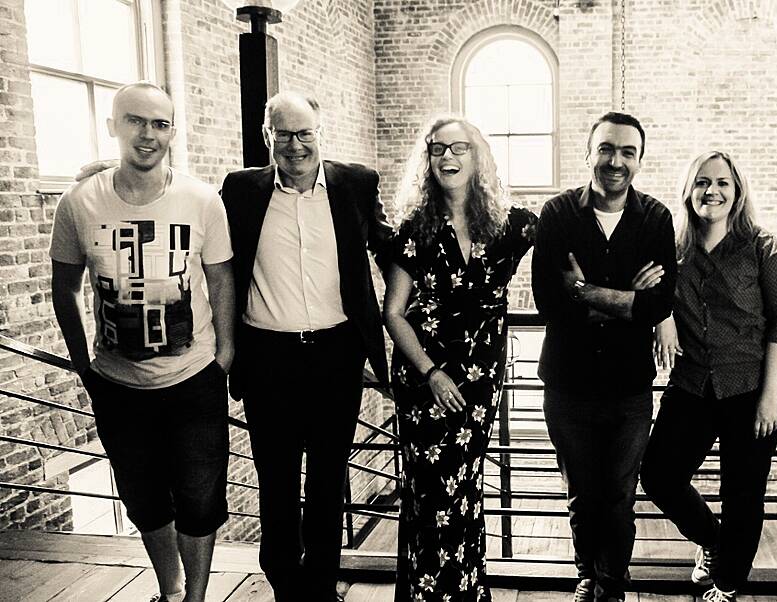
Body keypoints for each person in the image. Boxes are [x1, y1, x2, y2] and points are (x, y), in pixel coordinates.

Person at [51, 82, 235, 602]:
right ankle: (171, 589)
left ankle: (195, 599)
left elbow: (221, 279)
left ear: (173, 131)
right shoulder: (80, 202)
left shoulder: (201, 200)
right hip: (117, 382)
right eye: (135, 120)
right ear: (114, 126)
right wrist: (83, 363)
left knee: (201, 500)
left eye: (160, 123)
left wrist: (224, 356)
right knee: (143, 498)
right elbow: (63, 288)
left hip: (193, 378)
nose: (148, 134)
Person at [220, 92, 393, 602]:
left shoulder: (356, 184)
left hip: (337, 356)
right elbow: (209, 247)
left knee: (326, 480)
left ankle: (320, 587)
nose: (295, 145)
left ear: (321, 131)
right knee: (275, 480)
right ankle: (282, 582)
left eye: (304, 134)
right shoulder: (241, 189)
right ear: (267, 135)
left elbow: (391, 243)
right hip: (267, 357)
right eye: (283, 134)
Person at [383, 115, 537, 601]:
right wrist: (431, 374)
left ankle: (467, 592)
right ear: (427, 161)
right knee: (430, 495)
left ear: (478, 156)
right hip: (426, 382)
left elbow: (571, 247)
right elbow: (393, 314)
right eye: (436, 148)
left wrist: (646, 307)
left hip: (480, 381)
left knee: (465, 490)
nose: (448, 156)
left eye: (459, 147)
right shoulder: (417, 228)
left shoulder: (512, 225)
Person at [531, 111, 676, 602]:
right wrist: (624, 302)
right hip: (567, 383)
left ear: (640, 160)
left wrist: (585, 291)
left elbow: (658, 304)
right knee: (582, 496)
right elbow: (547, 301)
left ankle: (613, 584)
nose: (616, 161)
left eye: (628, 152)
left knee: (619, 497)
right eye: (607, 149)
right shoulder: (556, 215)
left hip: (629, 386)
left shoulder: (656, 218)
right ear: (588, 152)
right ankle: (586, 575)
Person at [640, 151, 777, 601]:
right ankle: (712, 541)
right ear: (689, 192)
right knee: (659, 475)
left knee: (743, 493)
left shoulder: (763, 247)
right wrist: (662, 317)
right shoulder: (673, 250)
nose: (713, 191)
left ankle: (727, 586)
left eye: (723, 182)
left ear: (737, 190)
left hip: (753, 386)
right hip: (692, 382)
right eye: (703, 182)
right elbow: (647, 291)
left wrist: (771, 398)